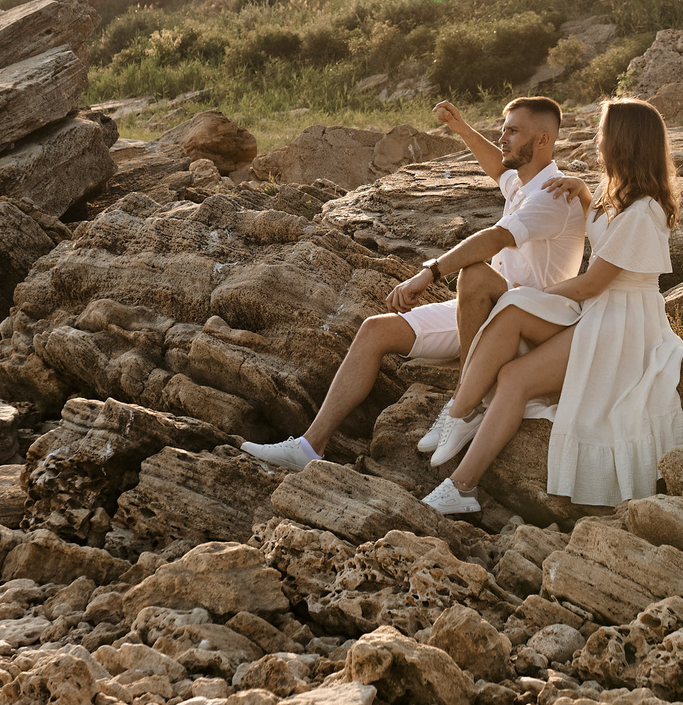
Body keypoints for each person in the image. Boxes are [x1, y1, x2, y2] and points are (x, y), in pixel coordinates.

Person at [238, 95, 585, 472]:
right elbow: (496, 171)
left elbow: (494, 239)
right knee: (374, 331)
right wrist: (461, 127)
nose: (502, 138)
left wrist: (430, 272)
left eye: (513, 131)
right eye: (503, 129)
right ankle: (309, 445)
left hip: (526, 323)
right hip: (488, 309)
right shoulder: (523, 183)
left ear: (542, 141)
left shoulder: (554, 195)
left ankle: (464, 404)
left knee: (475, 273)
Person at [420, 97, 683, 515]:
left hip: (622, 327)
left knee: (514, 334)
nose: (597, 141)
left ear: (624, 142)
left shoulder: (644, 212)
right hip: (599, 314)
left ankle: (461, 482)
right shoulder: (614, 192)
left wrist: (530, 296)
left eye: (603, 134)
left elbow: (592, 283)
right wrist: (583, 192)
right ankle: (460, 414)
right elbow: (600, 229)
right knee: (511, 358)